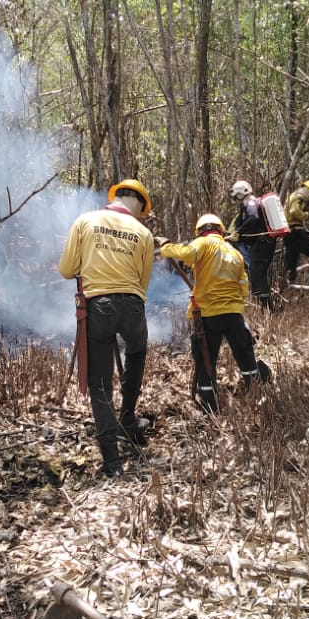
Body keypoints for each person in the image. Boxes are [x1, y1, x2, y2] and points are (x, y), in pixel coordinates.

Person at [58, 178, 155, 477]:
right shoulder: (143, 233)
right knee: (136, 353)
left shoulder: (85, 221)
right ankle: (128, 418)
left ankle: (112, 462)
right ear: (139, 204)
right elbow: (142, 283)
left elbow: (66, 270)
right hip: (132, 306)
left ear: (117, 197)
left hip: (97, 306)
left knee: (99, 383)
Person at [156, 214, 268, 414]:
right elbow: (243, 286)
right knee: (244, 353)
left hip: (209, 315)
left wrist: (165, 246)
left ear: (200, 231)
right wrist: (233, 303)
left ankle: (209, 404)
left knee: (205, 358)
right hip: (234, 314)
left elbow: (186, 254)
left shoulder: (204, 243)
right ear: (221, 230)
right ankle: (256, 392)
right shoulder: (234, 253)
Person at [228, 180, 276, 310]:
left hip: (262, 245)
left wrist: (239, 232)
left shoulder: (250, 202)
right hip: (262, 245)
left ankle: (268, 309)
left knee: (257, 277)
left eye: (237, 195)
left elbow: (253, 218)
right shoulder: (251, 203)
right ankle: (268, 308)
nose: (236, 199)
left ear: (241, 193)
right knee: (259, 277)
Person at [283, 179, 309, 285]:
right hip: (296, 232)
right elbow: (294, 211)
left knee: (292, 261)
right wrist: (305, 215)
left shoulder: (294, 196)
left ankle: (288, 285)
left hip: (289, 234)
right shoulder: (299, 196)